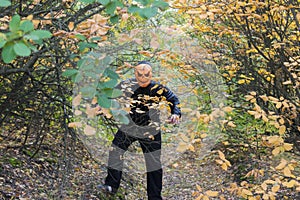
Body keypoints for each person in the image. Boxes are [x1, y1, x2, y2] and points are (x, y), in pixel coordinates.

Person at [98, 61, 181, 200]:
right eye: (140, 74)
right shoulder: (127, 85)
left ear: (151, 74)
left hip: (150, 128)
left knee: (153, 163)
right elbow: (109, 95)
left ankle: (154, 197)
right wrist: (101, 106)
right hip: (130, 125)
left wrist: (176, 113)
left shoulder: (158, 88)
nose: (143, 77)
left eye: (146, 74)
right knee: (115, 150)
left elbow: (174, 99)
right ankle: (111, 186)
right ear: (135, 73)